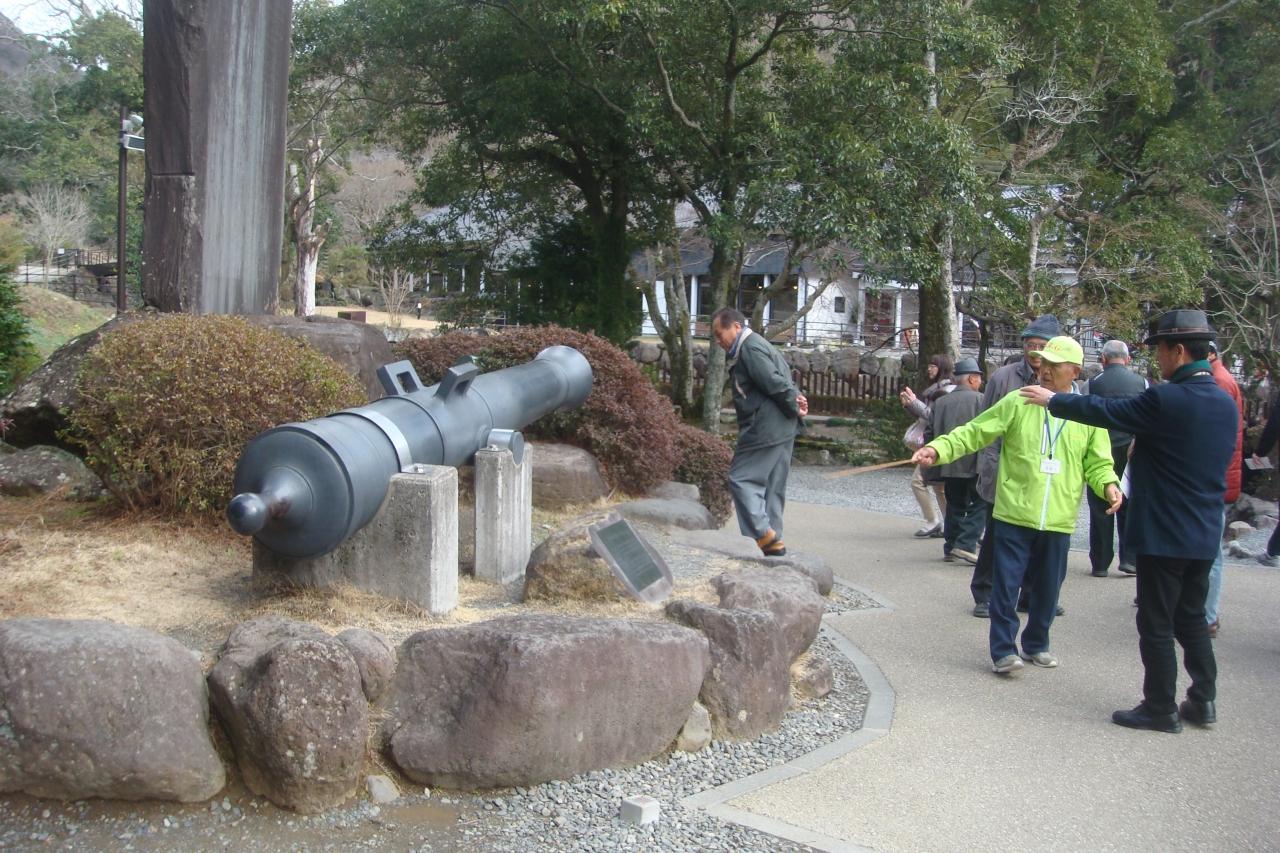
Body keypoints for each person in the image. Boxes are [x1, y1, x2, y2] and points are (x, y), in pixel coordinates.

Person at [1020, 310, 1236, 733]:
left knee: (1155, 621)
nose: (1158, 358)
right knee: (1191, 617)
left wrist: (1054, 400)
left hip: (1164, 532)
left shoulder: (1167, 399)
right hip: (1205, 529)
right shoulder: (1225, 402)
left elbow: (1108, 411)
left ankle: (1160, 707)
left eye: (1160, 349)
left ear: (1178, 350)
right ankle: (1203, 699)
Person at [914, 336, 1121, 674]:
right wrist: (938, 449)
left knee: (1048, 589)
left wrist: (1109, 484)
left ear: (1075, 372)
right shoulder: (1018, 401)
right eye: (1043, 363)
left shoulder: (1086, 413)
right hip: (1013, 511)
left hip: (1058, 517)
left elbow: (1098, 462)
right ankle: (1003, 651)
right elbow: (975, 431)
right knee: (1006, 586)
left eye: (1055, 365)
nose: (1045, 370)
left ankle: (1037, 643)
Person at [969, 313, 1062, 618]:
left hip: (1042, 468)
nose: (1035, 352)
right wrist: (988, 467)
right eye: (1030, 345)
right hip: (1003, 466)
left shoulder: (1063, 380)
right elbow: (985, 424)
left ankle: (1031, 594)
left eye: (1042, 346)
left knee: (1039, 536)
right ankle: (985, 593)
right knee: (997, 535)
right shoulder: (1004, 377)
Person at [712, 307, 808, 557]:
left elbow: (773, 382)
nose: (718, 341)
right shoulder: (761, 344)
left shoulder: (750, 348)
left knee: (741, 477)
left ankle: (764, 534)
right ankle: (774, 542)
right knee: (774, 485)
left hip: (766, 426)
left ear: (736, 326)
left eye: (719, 334)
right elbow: (782, 378)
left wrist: (793, 401)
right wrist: (796, 400)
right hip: (784, 425)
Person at [1083, 340, 1147, 577]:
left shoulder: (1092, 384)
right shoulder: (1141, 383)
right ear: (1128, 359)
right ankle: (1129, 559)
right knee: (1128, 502)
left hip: (1101, 449)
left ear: (1103, 359)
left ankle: (1100, 563)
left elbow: (1083, 414)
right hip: (1131, 449)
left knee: (1100, 504)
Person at [925, 358, 985, 564]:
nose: (980, 382)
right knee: (981, 503)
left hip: (949, 462)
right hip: (976, 463)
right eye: (979, 378)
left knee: (955, 505)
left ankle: (950, 547)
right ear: (972, 379)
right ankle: (966, 544)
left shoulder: (941, 402)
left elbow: (929, 432)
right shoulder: (982, 400)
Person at [1204, 341, 1243, 636]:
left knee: (1210, 551)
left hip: (1216, 478)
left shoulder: (1218, 382)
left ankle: (1207, 615)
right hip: (1221, 475)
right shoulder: (1220, 378)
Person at [900, 355, 955, 538]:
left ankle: (934, 521)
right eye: (929, 365)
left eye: (933, 366)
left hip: (938, 444)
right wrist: (910, 405)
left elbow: (935, 416)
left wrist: (914, 403)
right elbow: (926, 416)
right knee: (939, 488)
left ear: (942, 368)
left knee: (919, 482)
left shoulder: (947, 390)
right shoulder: (936, 389)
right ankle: (948, 524)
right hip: (936, 443)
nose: (929, 369)